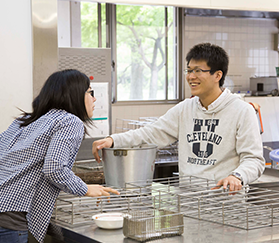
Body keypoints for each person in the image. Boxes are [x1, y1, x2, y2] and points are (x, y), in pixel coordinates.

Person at [92, 43, 265, 192]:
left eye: (198, 71)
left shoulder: (242, 111)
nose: (191, 77)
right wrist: (113, 140)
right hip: (189, 203)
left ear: (217, 75)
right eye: (189, 70)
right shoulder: (185, 109)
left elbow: (254, 160)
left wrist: (237, 176)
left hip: (226, 204)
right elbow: (151, 133)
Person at [0, 69, 119, 243]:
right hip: (12, 218)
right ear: (75, 95)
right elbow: (54, 168)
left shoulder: (24, 120)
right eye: (89, 92)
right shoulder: (70, 121)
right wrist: (85, 189)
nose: (94, 99)